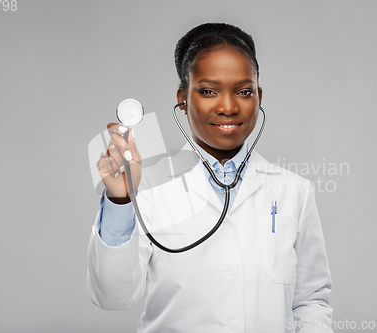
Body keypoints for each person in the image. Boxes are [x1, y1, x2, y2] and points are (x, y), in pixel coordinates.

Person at [88, 23, 334, 333]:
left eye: (244, 91)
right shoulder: (148, 187)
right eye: (208, 91)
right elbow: (113, 297)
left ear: (259, 97)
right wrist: (122, 199)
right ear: (183, 98)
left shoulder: (293, 191)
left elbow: (310, 301)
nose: (228, 107)